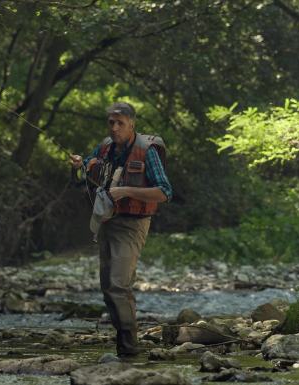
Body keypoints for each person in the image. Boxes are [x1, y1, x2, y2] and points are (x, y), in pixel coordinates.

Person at [70, 102, 172, 357]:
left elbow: (164, 192)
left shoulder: (147, 150)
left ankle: (129, 351)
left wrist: (126, 190)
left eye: (120, 123)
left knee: (118, 284)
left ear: (132, 124)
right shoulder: (104, 147)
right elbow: (86, 176)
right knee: (107, 287)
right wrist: (78, 167)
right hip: (106, 221)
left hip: (132, 224)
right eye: (111, 123)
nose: (114, 128)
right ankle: (123, 345)